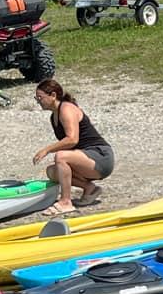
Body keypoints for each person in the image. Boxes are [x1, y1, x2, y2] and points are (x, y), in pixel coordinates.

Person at [32, 79, 115, 215]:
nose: (38, 101)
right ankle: (90, 189)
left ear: (53, 95)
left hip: (100, 156)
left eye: (40, 98)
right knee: (52, 172)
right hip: (85, 157)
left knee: (61, 156)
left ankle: (66, 202)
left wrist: (46, 150)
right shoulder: (54, 117)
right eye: (36, 98)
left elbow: (72, 139)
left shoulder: (67, 108)